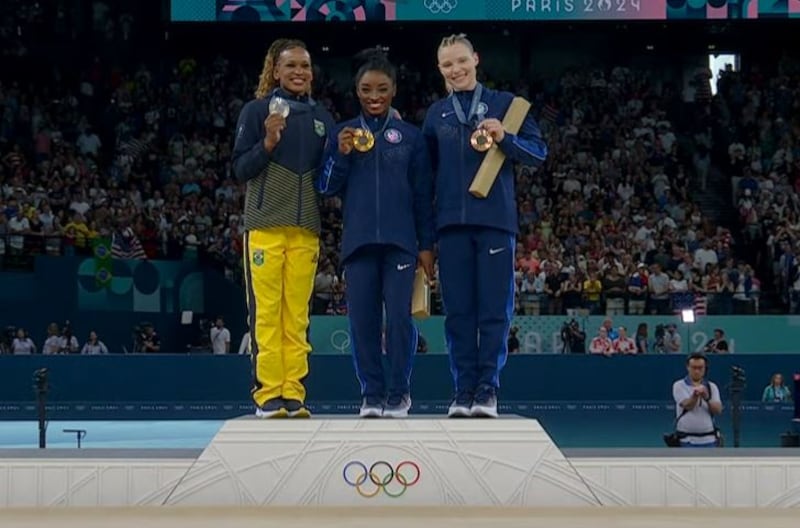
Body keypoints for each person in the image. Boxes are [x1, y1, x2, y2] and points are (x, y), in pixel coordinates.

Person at [423, 34, 547, 418]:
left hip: (495, 223)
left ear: (475, 59)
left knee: (494, 311)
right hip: (451, 226)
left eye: (461, 61)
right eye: (447, 65)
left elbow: (538, 153)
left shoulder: (506, 105)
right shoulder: (436, 115)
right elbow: (424, 180)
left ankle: (488, 391)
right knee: (459, 313)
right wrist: (426, 237)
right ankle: (462, 392)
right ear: (440, 69)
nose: (456, 70)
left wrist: (505, 137)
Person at [319, 48, 435, 418]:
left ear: (394, 90)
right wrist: (339, 154)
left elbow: (422, 196)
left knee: (400, 319)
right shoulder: (343, 134)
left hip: (401, 245)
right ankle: (371, 393)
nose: (374, 96)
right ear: (357, 91)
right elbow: (326, 187)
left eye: (382, 89)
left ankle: (399, 393)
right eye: (367, 89)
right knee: (362, 323)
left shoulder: (411, 138)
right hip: (359, 245)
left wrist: (427, 245)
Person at [232, 38, 335, 419]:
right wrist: (269, 142)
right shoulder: (257, 111)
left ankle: (294, 393)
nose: (298, 72)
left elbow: (330, 178)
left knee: (297, 317)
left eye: (305, 66)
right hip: (264, 227)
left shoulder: (323, 119)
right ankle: (267, 395)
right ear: (275, 70)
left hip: (306, 229)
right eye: (290, 65)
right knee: (266, 315)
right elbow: (241, 169)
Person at [672, 353, 723, 447]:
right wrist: (695, 396)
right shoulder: (678, 385)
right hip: (686, 441)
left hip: (710, 440)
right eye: (693, 367)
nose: (697, 371)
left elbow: (718, 410)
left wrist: (707, 397)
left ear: (705, 368)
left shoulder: (712, 387)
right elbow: (687, 405)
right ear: (688, 367)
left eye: (700, 368)